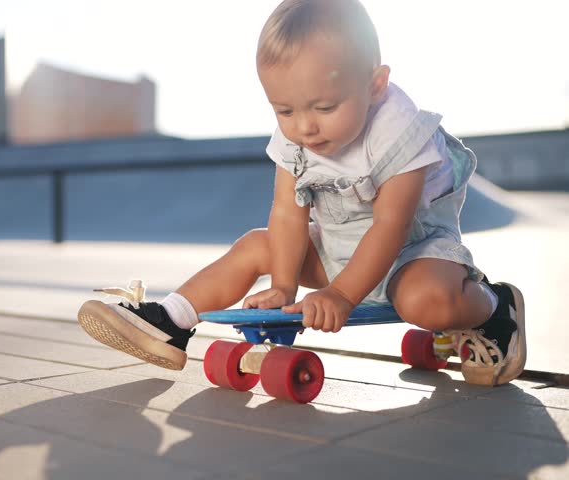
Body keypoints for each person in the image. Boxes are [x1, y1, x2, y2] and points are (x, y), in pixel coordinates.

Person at [77, 0, 525, 387]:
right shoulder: (296, 139)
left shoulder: (400, 133)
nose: (305, 126)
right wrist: (284, 284)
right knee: (258, 244)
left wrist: (342, 296)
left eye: (325, 107)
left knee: (424, 303)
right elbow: (288, 213)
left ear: (375, 85)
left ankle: (493, 307)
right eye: (284, 109)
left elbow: (392, 225)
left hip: (412, 254)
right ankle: (171, 320)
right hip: (336, 252)